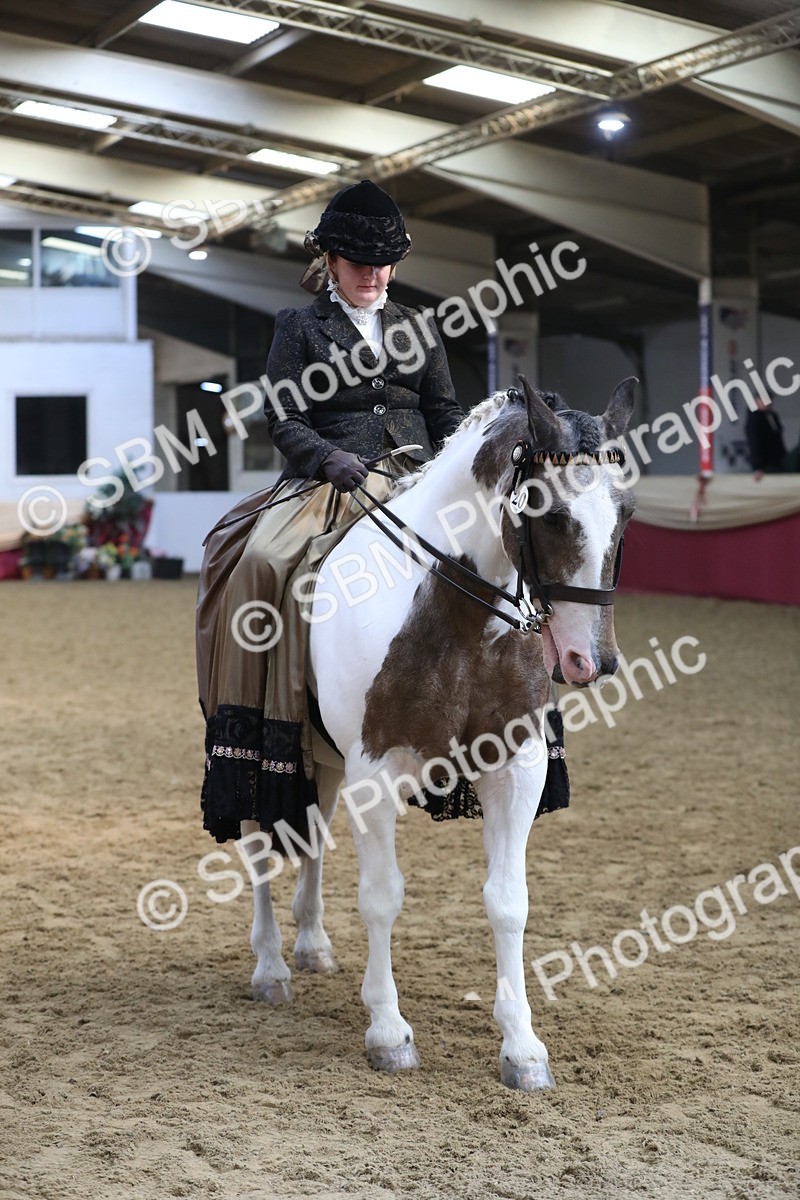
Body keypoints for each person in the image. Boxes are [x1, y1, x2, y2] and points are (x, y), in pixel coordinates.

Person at [196, 180, 464, 844]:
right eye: (359, 264)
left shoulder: (419, 328)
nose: (372, 276)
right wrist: (325, 456)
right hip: (330, 482)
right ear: (331, 261)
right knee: (261, 561)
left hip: (416, 477)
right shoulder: (299, 326)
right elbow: (283, 416)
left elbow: (444, 414)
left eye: (383, 264)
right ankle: (256, 726)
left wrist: (456, 472)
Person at [746, 396, 786, 481]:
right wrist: (757, 467)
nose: (768, 403)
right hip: (765, 464)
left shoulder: (772, 415)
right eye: (764, 400)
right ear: (757, 401)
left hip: (778, 459)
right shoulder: (754, 418)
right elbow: (755, 443)